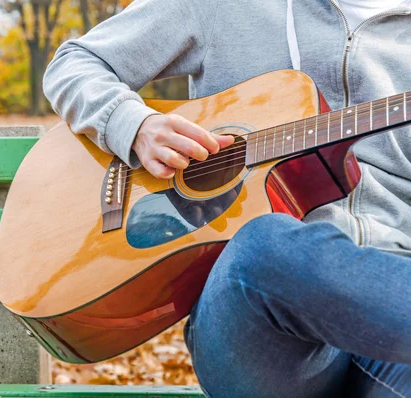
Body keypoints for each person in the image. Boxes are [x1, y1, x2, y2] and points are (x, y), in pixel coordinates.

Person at [42, 0, 411, 396]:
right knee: (264, 244)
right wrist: (134, 125)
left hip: (392, 326)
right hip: (255, 327)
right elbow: (75, 62)